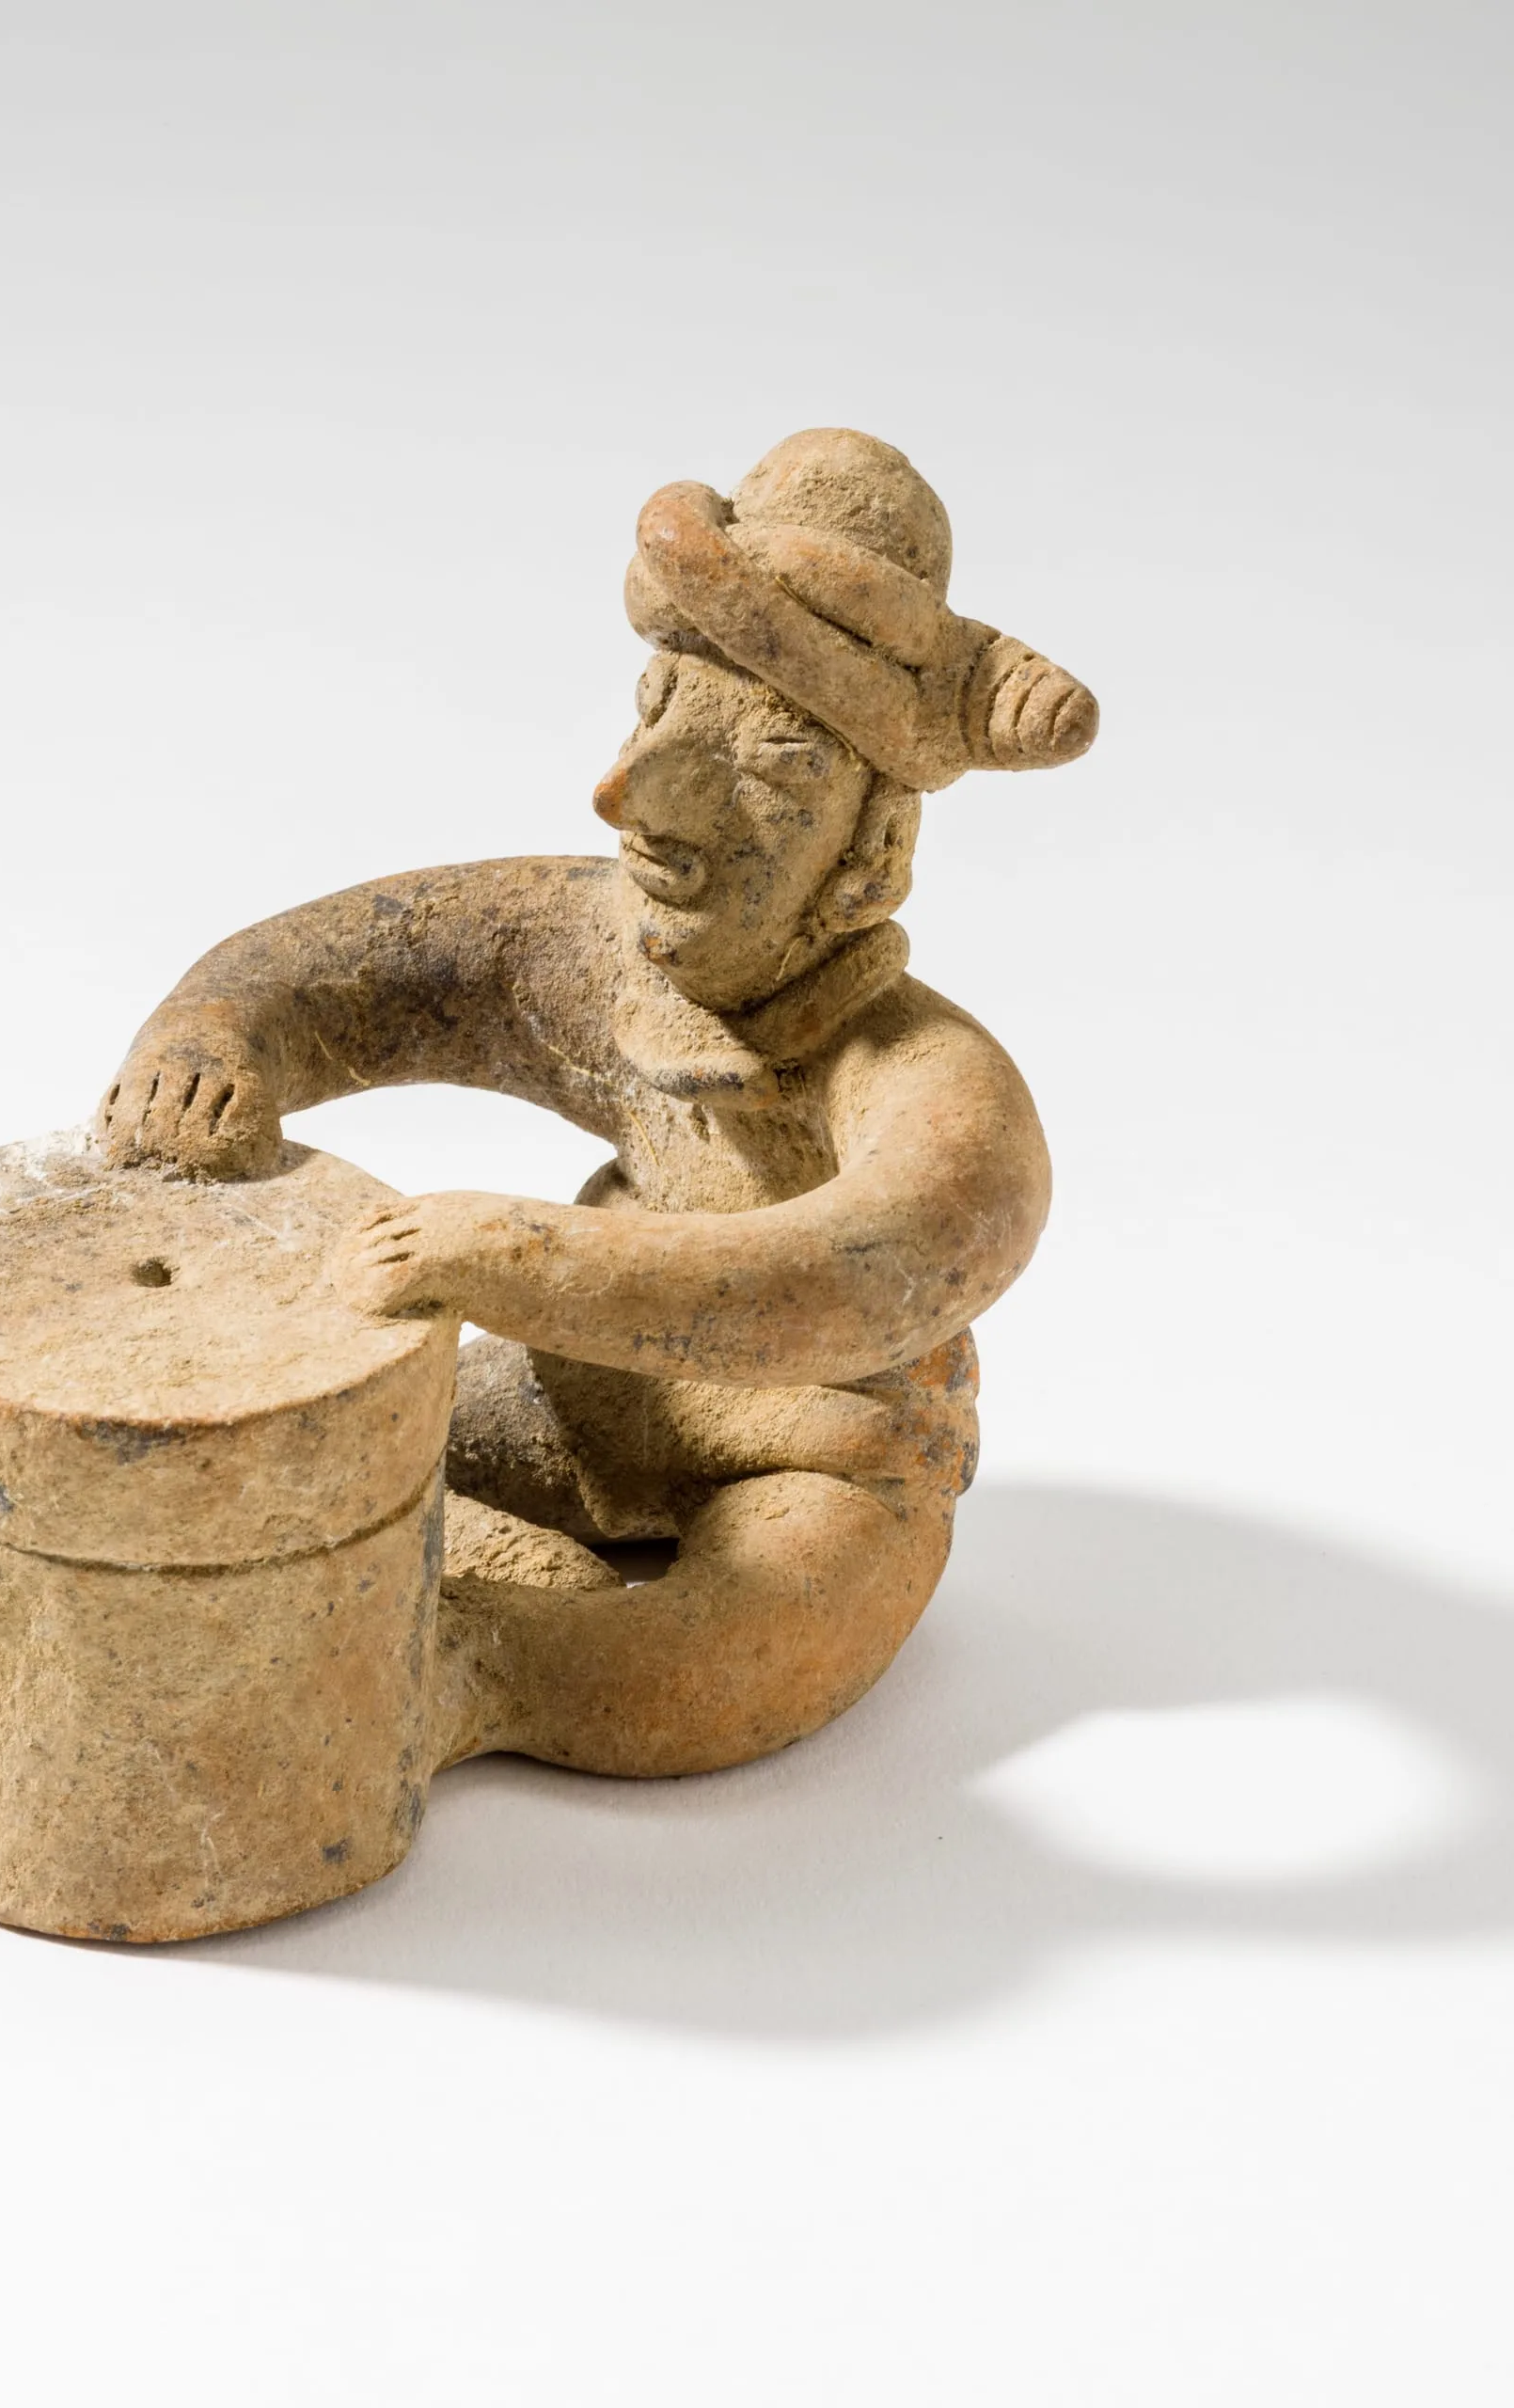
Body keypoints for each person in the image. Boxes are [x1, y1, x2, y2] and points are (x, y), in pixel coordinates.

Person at [101, 429, 1096, 1776]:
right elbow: (369, 966)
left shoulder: (929, 1082)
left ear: (870, 843)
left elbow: (862, 1271)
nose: (632, 797)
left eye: (768, 765)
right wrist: (218, 1033)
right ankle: (427, 1572)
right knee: (297, 1452)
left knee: (743, 1647)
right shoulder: (602, 943)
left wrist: (514, 1256)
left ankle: (469, 1661)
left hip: (821, 1439)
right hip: (582, 1387)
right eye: (653, 710)